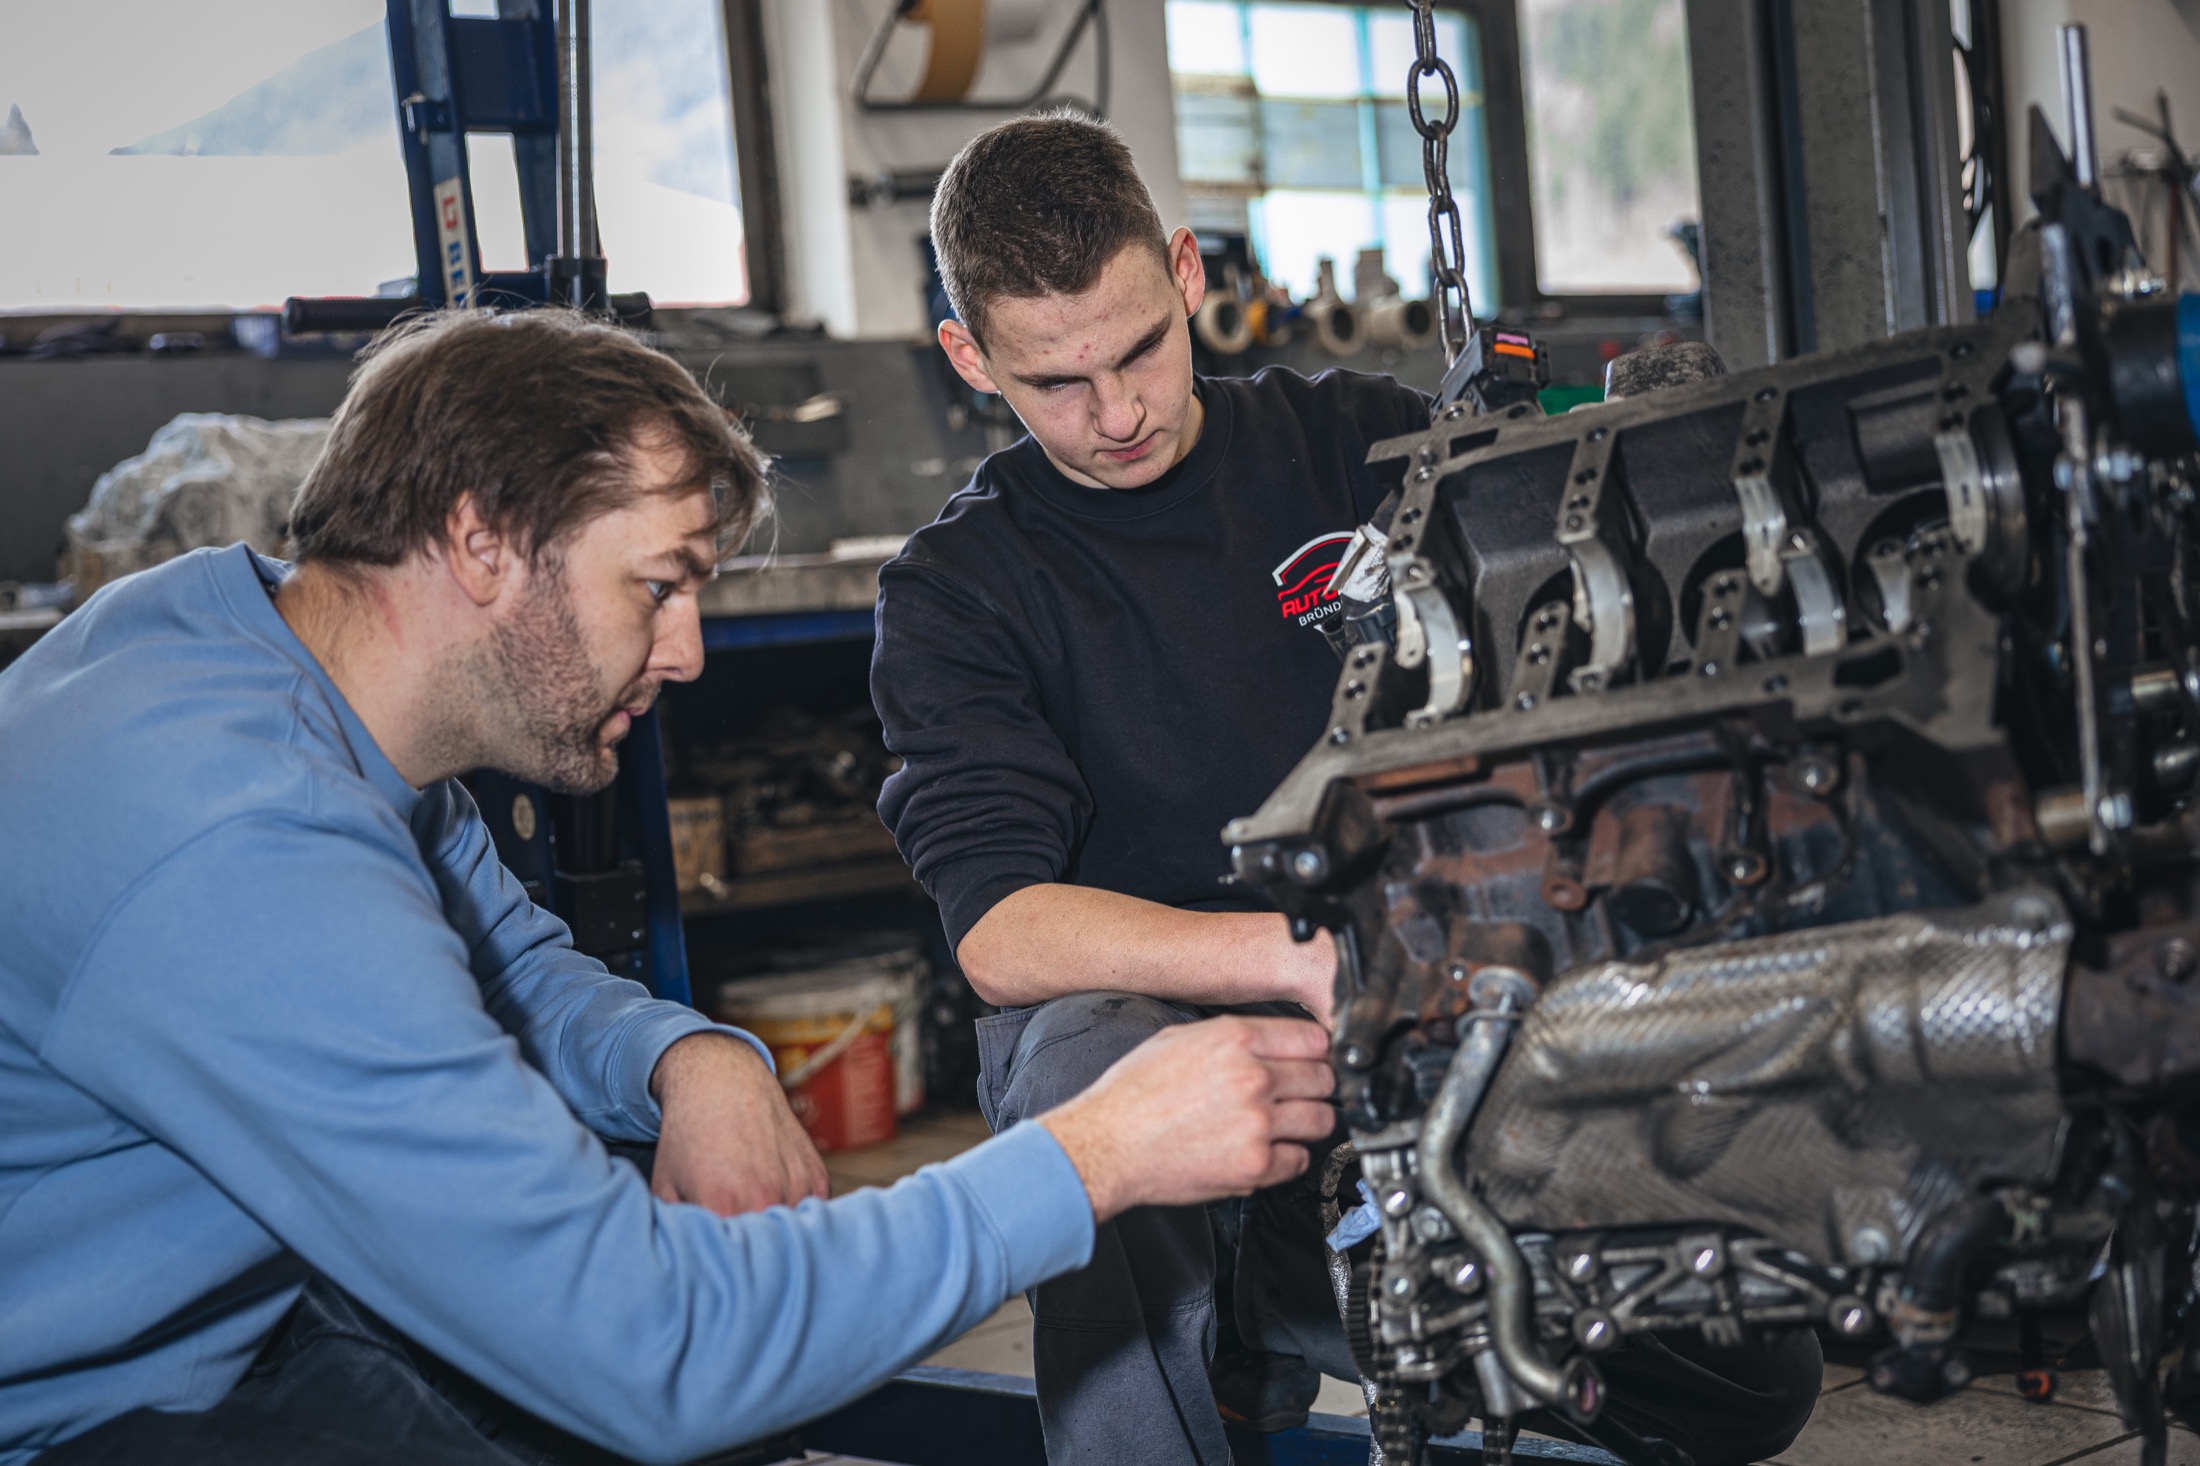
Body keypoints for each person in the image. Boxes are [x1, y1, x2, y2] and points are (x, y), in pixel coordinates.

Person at [0, 308, 1340, 1466]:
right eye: (659, 586)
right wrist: (1091, 1155)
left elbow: (506, 961)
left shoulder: (237, 641)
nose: (691, 650)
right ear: (481, 541)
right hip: (77, 1416)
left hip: (225, 1325)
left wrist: (692, 1056)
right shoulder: (246, 848)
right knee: (707, 1365)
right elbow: (662, 1351)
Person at [870, 113, 1824, 1465]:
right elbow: (1003, 932)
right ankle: (1208, 1328)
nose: (1120, 407)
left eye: (1139, 345)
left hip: (1430, 999)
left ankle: (1299, 1284)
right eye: (1057, 380)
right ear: (970, 357)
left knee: (1744, 1382)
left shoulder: (1361, 448)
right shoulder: (959, 589)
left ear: (1187, 271)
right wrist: (1302, 957)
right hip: (1182, 1043)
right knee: (1090, 1052)